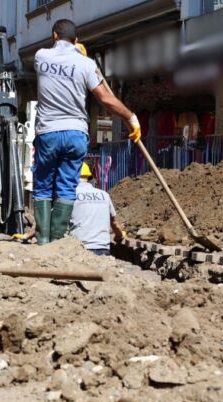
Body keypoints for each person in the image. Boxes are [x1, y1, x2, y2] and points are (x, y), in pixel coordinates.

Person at [33, 19, 140, 245]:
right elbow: (105, 99)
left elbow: (58, 61)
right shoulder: (86, 65)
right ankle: (57, 242)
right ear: (77, 40)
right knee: (66, 187)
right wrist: (131, 117)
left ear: (54, 36)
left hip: (48, 132)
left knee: (43, 185)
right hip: (75, 133)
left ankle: (43, 242)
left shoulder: (40, 56)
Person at [69, 163, 125, 255]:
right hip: (103, 248)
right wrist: (119, 235)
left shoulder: (69, 195)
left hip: (79, 249)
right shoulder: (104, 195)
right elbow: (114, 223)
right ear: (89, 177)